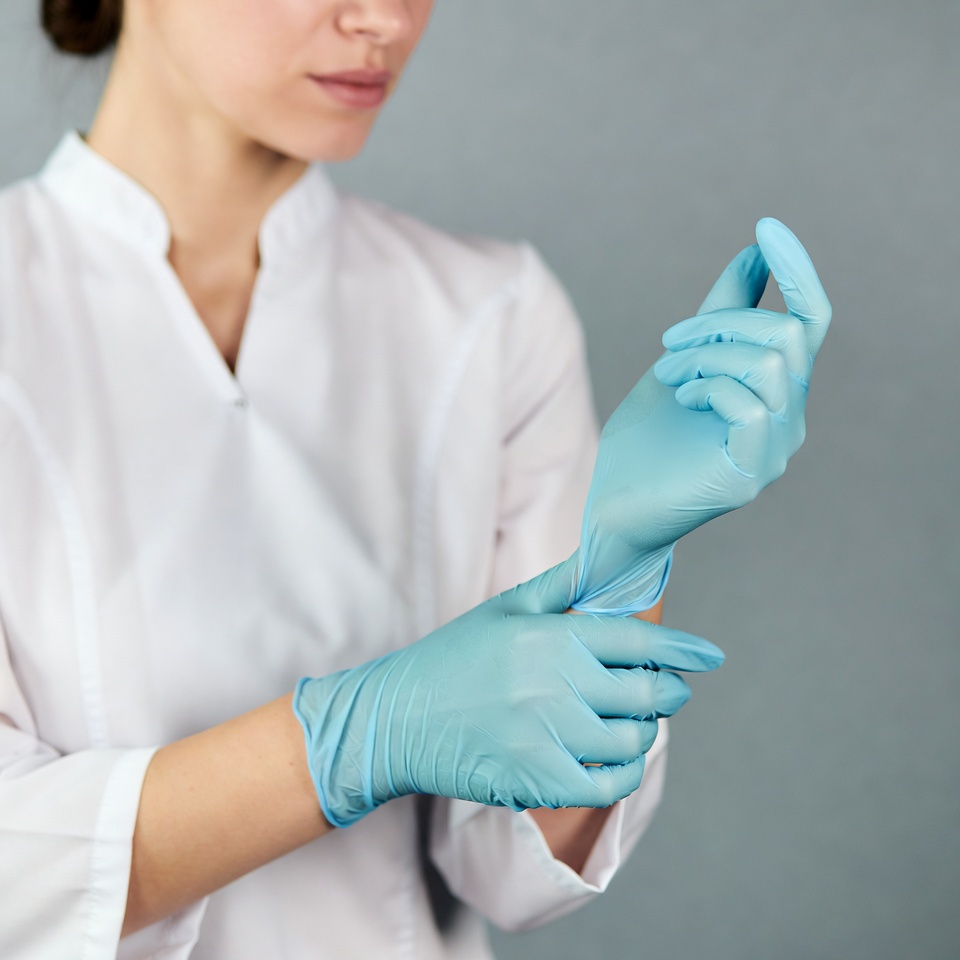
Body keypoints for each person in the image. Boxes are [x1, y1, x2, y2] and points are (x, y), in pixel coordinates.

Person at [0, 1, 830, 958]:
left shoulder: (491, 314)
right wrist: (350, 740)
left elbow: (518, 874)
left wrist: (626, 565)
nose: (386, 19)